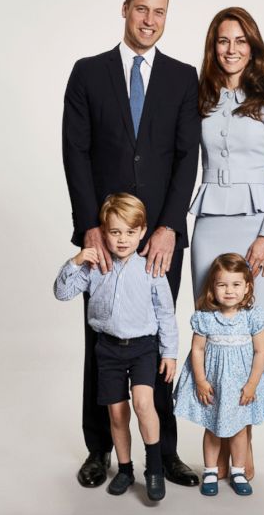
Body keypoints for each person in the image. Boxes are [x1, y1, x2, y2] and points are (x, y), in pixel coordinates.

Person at [61, 0, 200, 489]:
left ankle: (163, 454)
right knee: (99, 343)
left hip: (159, 242)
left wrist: (168, 227)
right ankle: (99, 448)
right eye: (141, 9)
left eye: (159, 12)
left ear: (167, 17)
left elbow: (189, 158)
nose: (149, 20)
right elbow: (74, 152)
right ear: (125, 10)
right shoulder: (88, 73)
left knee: (158, 342)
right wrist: (89, 229)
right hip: (105, 238)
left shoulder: (184, 79)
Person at [188, 7, 264, 479]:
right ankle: (216, 448)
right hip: (209, 222)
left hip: (256, 224)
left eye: (240, 40)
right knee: (214, 337)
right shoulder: (201, 97)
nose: (230, 49)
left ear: (253, 46)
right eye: (222, 41)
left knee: (249, 334)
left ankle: (244, 441)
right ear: (213, 48)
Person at [54, 193, 179, 501]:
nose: (123, 240)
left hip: (143, 349)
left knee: (142, 403)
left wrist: (170, 352)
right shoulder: (96, 266)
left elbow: (166, 313)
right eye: (115, 232)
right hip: (108, 349)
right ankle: (125, 469)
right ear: (104, 231)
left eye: (130, 232)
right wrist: (76, 260)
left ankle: (154, 468)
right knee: (117, 414)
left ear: (142, 231)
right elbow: (61, 292)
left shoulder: (150, 268)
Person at [173, 253, 264, 497]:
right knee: (212, 428)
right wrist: (201, 381)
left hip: (242, 386)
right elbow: (197, 350)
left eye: (236, 284)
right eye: (222, 284)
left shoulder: (252, 317)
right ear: (213, 288)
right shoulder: (205, 318)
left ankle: (238, 470)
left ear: (247, 287)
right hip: (215, 385)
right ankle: (211, 470)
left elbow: (260, 351)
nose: (229, 291)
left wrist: (252, 384)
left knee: (239, 429)